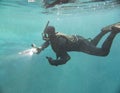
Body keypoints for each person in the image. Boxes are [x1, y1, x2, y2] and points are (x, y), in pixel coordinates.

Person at [33, 22, 120, 66]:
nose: (44, 36)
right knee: (91, 45)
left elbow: (66, 58)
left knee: (103, 53)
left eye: (45, 34)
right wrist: (40, 48)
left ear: (49, 34)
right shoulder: (55, 36)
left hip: (81, 45)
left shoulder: (57, 44)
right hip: (79, 39)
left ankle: (114, 32)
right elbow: (47, 42)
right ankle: (103, 32)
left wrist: (54, 62)